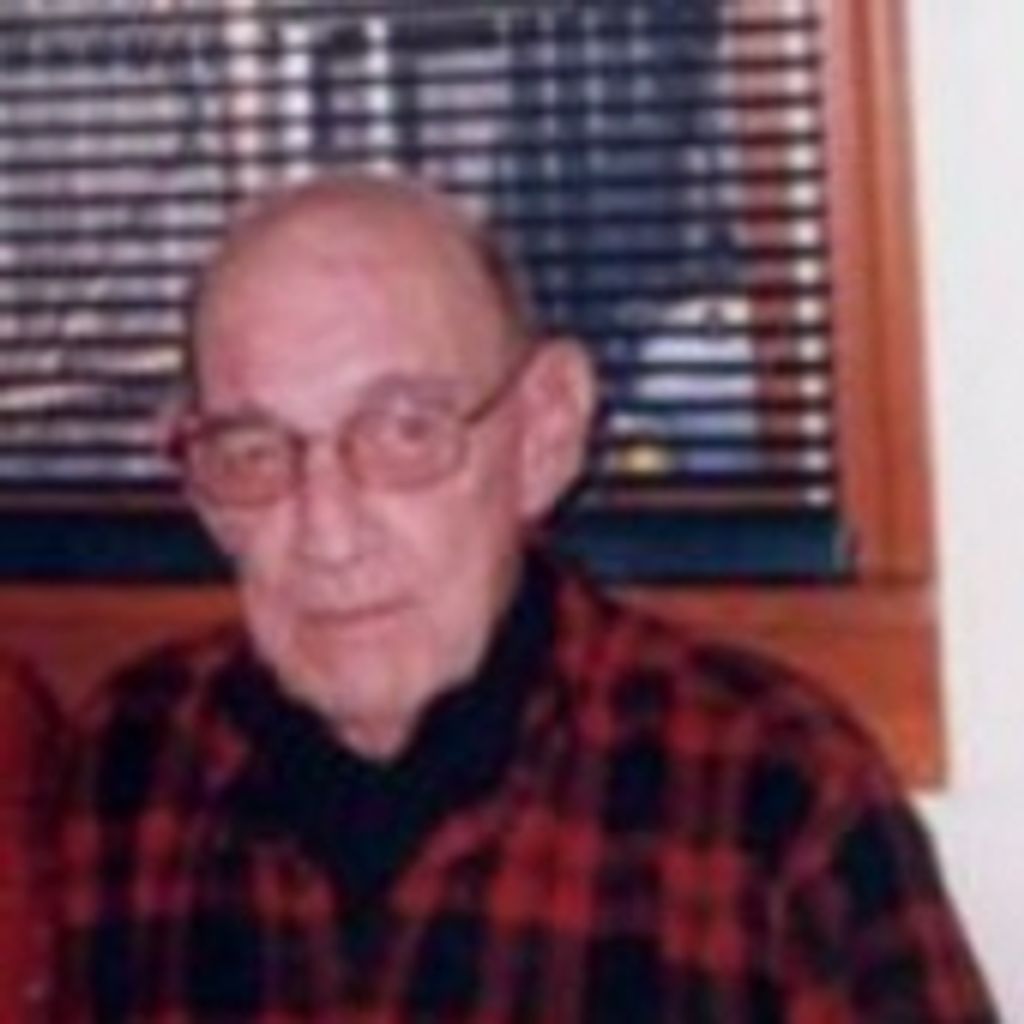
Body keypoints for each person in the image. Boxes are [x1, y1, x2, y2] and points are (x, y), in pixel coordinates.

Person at [54, 174, 997, 1022]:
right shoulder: (128, 767)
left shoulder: (772, 793)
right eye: (253, 450)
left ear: (544, 434)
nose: (328, 535)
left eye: (405, 431)